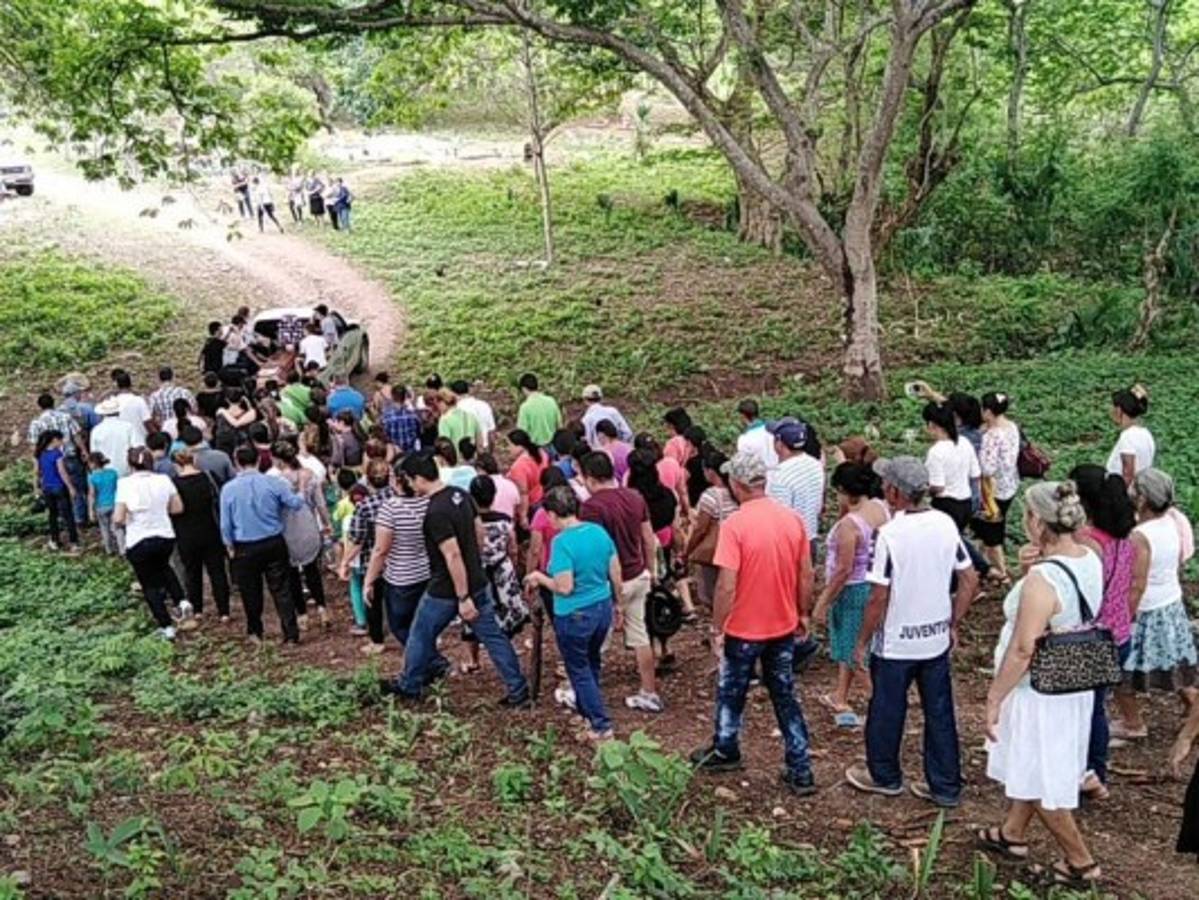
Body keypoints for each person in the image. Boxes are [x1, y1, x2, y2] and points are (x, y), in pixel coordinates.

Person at [980, 481, 1102, 890]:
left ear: (1036, 521)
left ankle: (1081, 862)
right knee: (1032, 761)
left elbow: (1022, 649)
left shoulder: (1042, 580)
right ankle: (1012, 833)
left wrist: (995, 697)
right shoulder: (1090, 557)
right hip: (1074, 681)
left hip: (1039, 689)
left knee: (1041, 773)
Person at [846, 456, 977, 807]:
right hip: (934, 638)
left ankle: (885, 775)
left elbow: (878, 595)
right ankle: (945, 785)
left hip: (897, 642)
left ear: (893, 491)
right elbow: (969, 577)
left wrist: (860, 641)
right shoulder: (945, 523)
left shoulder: (890, 535)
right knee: (939, 711)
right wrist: (953, 622)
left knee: (887, 709)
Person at [689, 451, 816, 796]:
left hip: (744, 627)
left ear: (738, 483)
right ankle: (800, 765)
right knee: (784, 693)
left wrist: (718, 626)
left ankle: (725, 747)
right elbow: (806, 573)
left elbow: (727, 584)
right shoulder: (791, 520)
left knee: (731, 691)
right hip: (782, 623)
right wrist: (803, 613)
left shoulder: (735, 525)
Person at [381, 453, 530, 707]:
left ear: (418, 478)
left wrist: (462, 596)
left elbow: (452, 554)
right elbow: (479, 532)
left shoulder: (435, 512)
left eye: (409, 480)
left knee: (420, 633)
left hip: (447, 588)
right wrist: (475, 565)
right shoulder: (460, 496)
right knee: (493, 636)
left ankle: (409, 684)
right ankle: (518, 689)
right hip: (477, 579)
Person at [525, 486, 621, 741]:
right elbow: (615, 570)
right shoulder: (598, 532)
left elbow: (564, 587)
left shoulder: (562, 542)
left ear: (555, 514)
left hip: (575, 614)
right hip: (602, 607)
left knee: (578, 668)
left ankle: (600, 725)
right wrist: (618, 603)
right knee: (591, 663)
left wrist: (539, 578)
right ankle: (587, 712)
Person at [1069, 464, 1141, 795]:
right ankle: (1095, 771)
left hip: (1092, 636)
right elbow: (1131, 588)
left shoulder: (1088, 542)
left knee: (1086, 710)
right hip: (1120, 633)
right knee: (1097, 705)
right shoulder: (1126, 539)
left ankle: (1089, 772)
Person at [1112, 469, 1199, 741]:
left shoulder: (1139, 535)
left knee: (1120, 670)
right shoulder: (1173, 522)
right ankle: (1192, 705)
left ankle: (1132, 722)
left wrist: (1123, 617)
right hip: (1170, 602)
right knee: (1174, 662)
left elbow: (1137, 583)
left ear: (1141, 500)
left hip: (1147, 608)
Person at [580, 451, 663, 713]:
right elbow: (648, 538)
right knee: (640, 635)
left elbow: (594, 549)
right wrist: (651, 570)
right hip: (638, 574)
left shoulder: (592, 507)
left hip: (608, 582)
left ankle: (584, 692)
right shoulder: (634, 497)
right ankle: (649, 692)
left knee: (595, 641)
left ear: (590, 478)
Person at [812, 463, 889, 727]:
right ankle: (840, 695)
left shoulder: (849, 525)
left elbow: (843, 569)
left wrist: (823, 601)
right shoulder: (880, 509)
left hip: (851, 590)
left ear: (844, 491)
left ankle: (881, 704)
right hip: (874, 584)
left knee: (854, 652)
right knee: (854, 643)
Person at [219, 445, 306, 645]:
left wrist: (228, 544)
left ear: (236, 463)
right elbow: (295, 503)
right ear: (258, 461)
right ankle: (291, 633)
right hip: (273, 541)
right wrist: (301, 488)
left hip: (245, 547)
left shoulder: (228, 489)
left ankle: (255, 632)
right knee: (281, 589)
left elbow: (226, 523)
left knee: (250, 590)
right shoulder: (274, 483)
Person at [115, 447, 184, 640]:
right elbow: (177, 508)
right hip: (164, 535)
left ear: (130, 464)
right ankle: (182, 600)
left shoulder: (124, 484)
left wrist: (126, 517)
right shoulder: (163, 479)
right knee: (165, 567)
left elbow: (118, 517)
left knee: (150, 585)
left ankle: (166, 626)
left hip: (138, 539)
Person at [463, 476, 529, 673]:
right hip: (502, 570)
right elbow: (513, 548)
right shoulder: (504, 520)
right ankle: (507, 649)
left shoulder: (467, 522)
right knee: (507, 611)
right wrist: (514, 566)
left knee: (472, 616)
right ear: (493, 496)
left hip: (476, 572)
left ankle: (473, 660)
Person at [363, 468, 430, 648]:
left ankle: (432, 661)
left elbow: (380, 550)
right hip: (425, 570)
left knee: (400, 626)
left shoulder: (391, 507)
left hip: (401, 576)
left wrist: (369, 580)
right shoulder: (425, 502)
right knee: (420, 621)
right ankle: (424, 661)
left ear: (398, 481)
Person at [272, 442, 332, 630]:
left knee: (291, 573)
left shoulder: (277, 481)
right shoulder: (310, 475)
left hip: (287, 528)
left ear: (279, 460)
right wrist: (327, 523)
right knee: (311, 568)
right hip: (308, 525)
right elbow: (320, 503)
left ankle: (302, 614)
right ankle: (322, 608)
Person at [342, 461, 397, 655]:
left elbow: (357, 539)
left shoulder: (366, 506)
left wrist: (345, 562)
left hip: (374, 560)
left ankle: (377, 640)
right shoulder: (402, 497)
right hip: (402, 559)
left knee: (373, 600)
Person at [171, 448, 231, 622]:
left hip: (186, 534)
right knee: (217, 571)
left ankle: (197, 609)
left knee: (192, 572)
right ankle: (224, 611)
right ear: (194, 459)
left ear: (177, 464)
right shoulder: (208, 477)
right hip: (211, 529)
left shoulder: (174, 484)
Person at [974, 392, 1021, 584]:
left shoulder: (992, 436)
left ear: (987, 411)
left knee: (993, 537)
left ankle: (1002, 574)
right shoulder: (1011, 426)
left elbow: (988, 468)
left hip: (993, 491)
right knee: (989, 531)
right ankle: (983, 565)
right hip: (1010, 484)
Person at [682, 448, 737, 608]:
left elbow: (701, 528)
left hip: (715, 549)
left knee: (712, 593)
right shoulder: (736, 492)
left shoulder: (711, 496)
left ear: (711, 472)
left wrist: (688, 550)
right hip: (734, 547)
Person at [766, 417, 824, 550]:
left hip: (789, 545)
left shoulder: (779, 475)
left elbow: (780, 519)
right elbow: (818, 506)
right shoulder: (815, 465)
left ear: (779, 444)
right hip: (810, 538)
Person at [923, 401, 980, 534]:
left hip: (946, 506)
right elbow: (975, 474)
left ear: (931, 425)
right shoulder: (965, 442)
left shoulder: (936, 452)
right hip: (966, 503)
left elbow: (938, 487)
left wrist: (924, 492)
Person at [35, 430, 80, 554]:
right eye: (60, 440)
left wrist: (37, 487)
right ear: (54, 440)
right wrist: (71, 487)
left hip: (47, 488)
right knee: (68, 515)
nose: (62, 442)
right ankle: (74, 542)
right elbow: (62, 472)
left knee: (52, 515)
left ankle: (55, 540)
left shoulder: (40, 453)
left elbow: (37, 472)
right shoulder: (57, 453)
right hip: (59, 487)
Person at [1107, 385, 1154, 486]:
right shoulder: (1146, 434)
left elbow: (1128, 474)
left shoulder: (1128, 436)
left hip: (1123, 493)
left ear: (1119, 410)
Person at [507, 429, 549, 530]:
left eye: (510, 445)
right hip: (543, 496)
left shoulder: (518, 467)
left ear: (519, 446)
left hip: (531, 503)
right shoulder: (541, 453)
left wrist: (523, 516)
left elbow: (523, 493)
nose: (508, 449)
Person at [90, 398, 138, 477]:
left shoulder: (96, 430)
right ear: (118, 412)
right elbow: (134, 448)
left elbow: (94, 454)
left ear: (103, 414)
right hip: (125, 471)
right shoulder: (128, 427)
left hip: (105, 472)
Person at [516, 373, 563, 449]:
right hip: (554, 445)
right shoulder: (551, 401)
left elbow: (522, 433)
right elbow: (559, 425)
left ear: (524, 389)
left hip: (536, 449)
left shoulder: (525, 407)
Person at [87, 452, 121, 556]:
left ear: (93, 463)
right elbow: (118, 489)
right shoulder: (113, 473)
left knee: (104, 528)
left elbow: (92, 494)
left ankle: (109, 550)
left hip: (101, 506)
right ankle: (122, 548)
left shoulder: (92, 477)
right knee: (117, 528)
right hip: (114, 504)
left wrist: (90, 511)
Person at [111, 370, 152, 446]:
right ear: (130, 384)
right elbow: (147, 422)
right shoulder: (139, 400)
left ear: (117, 385)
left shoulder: (113, 402)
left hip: (121, 444)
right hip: (140, 442)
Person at [735, 399, 778, 471]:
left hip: (763, 478)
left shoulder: (743, 440)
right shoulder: (774, 429)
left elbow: (745, 465)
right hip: (783, 473)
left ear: (743, 416)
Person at [452, 380, 496, 450]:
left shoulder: (456, 410)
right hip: (484, 447)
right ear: (468, 390)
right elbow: (491, 432)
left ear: (453, 394)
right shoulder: (484, 405)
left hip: (466, 451)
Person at [381, 387, 422, 454]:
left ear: (392, 397)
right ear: (404, 397)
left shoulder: (386, 416)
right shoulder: (413, 415)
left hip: (395, 453)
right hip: (412, 453)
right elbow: (419, 432)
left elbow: (384, 436)